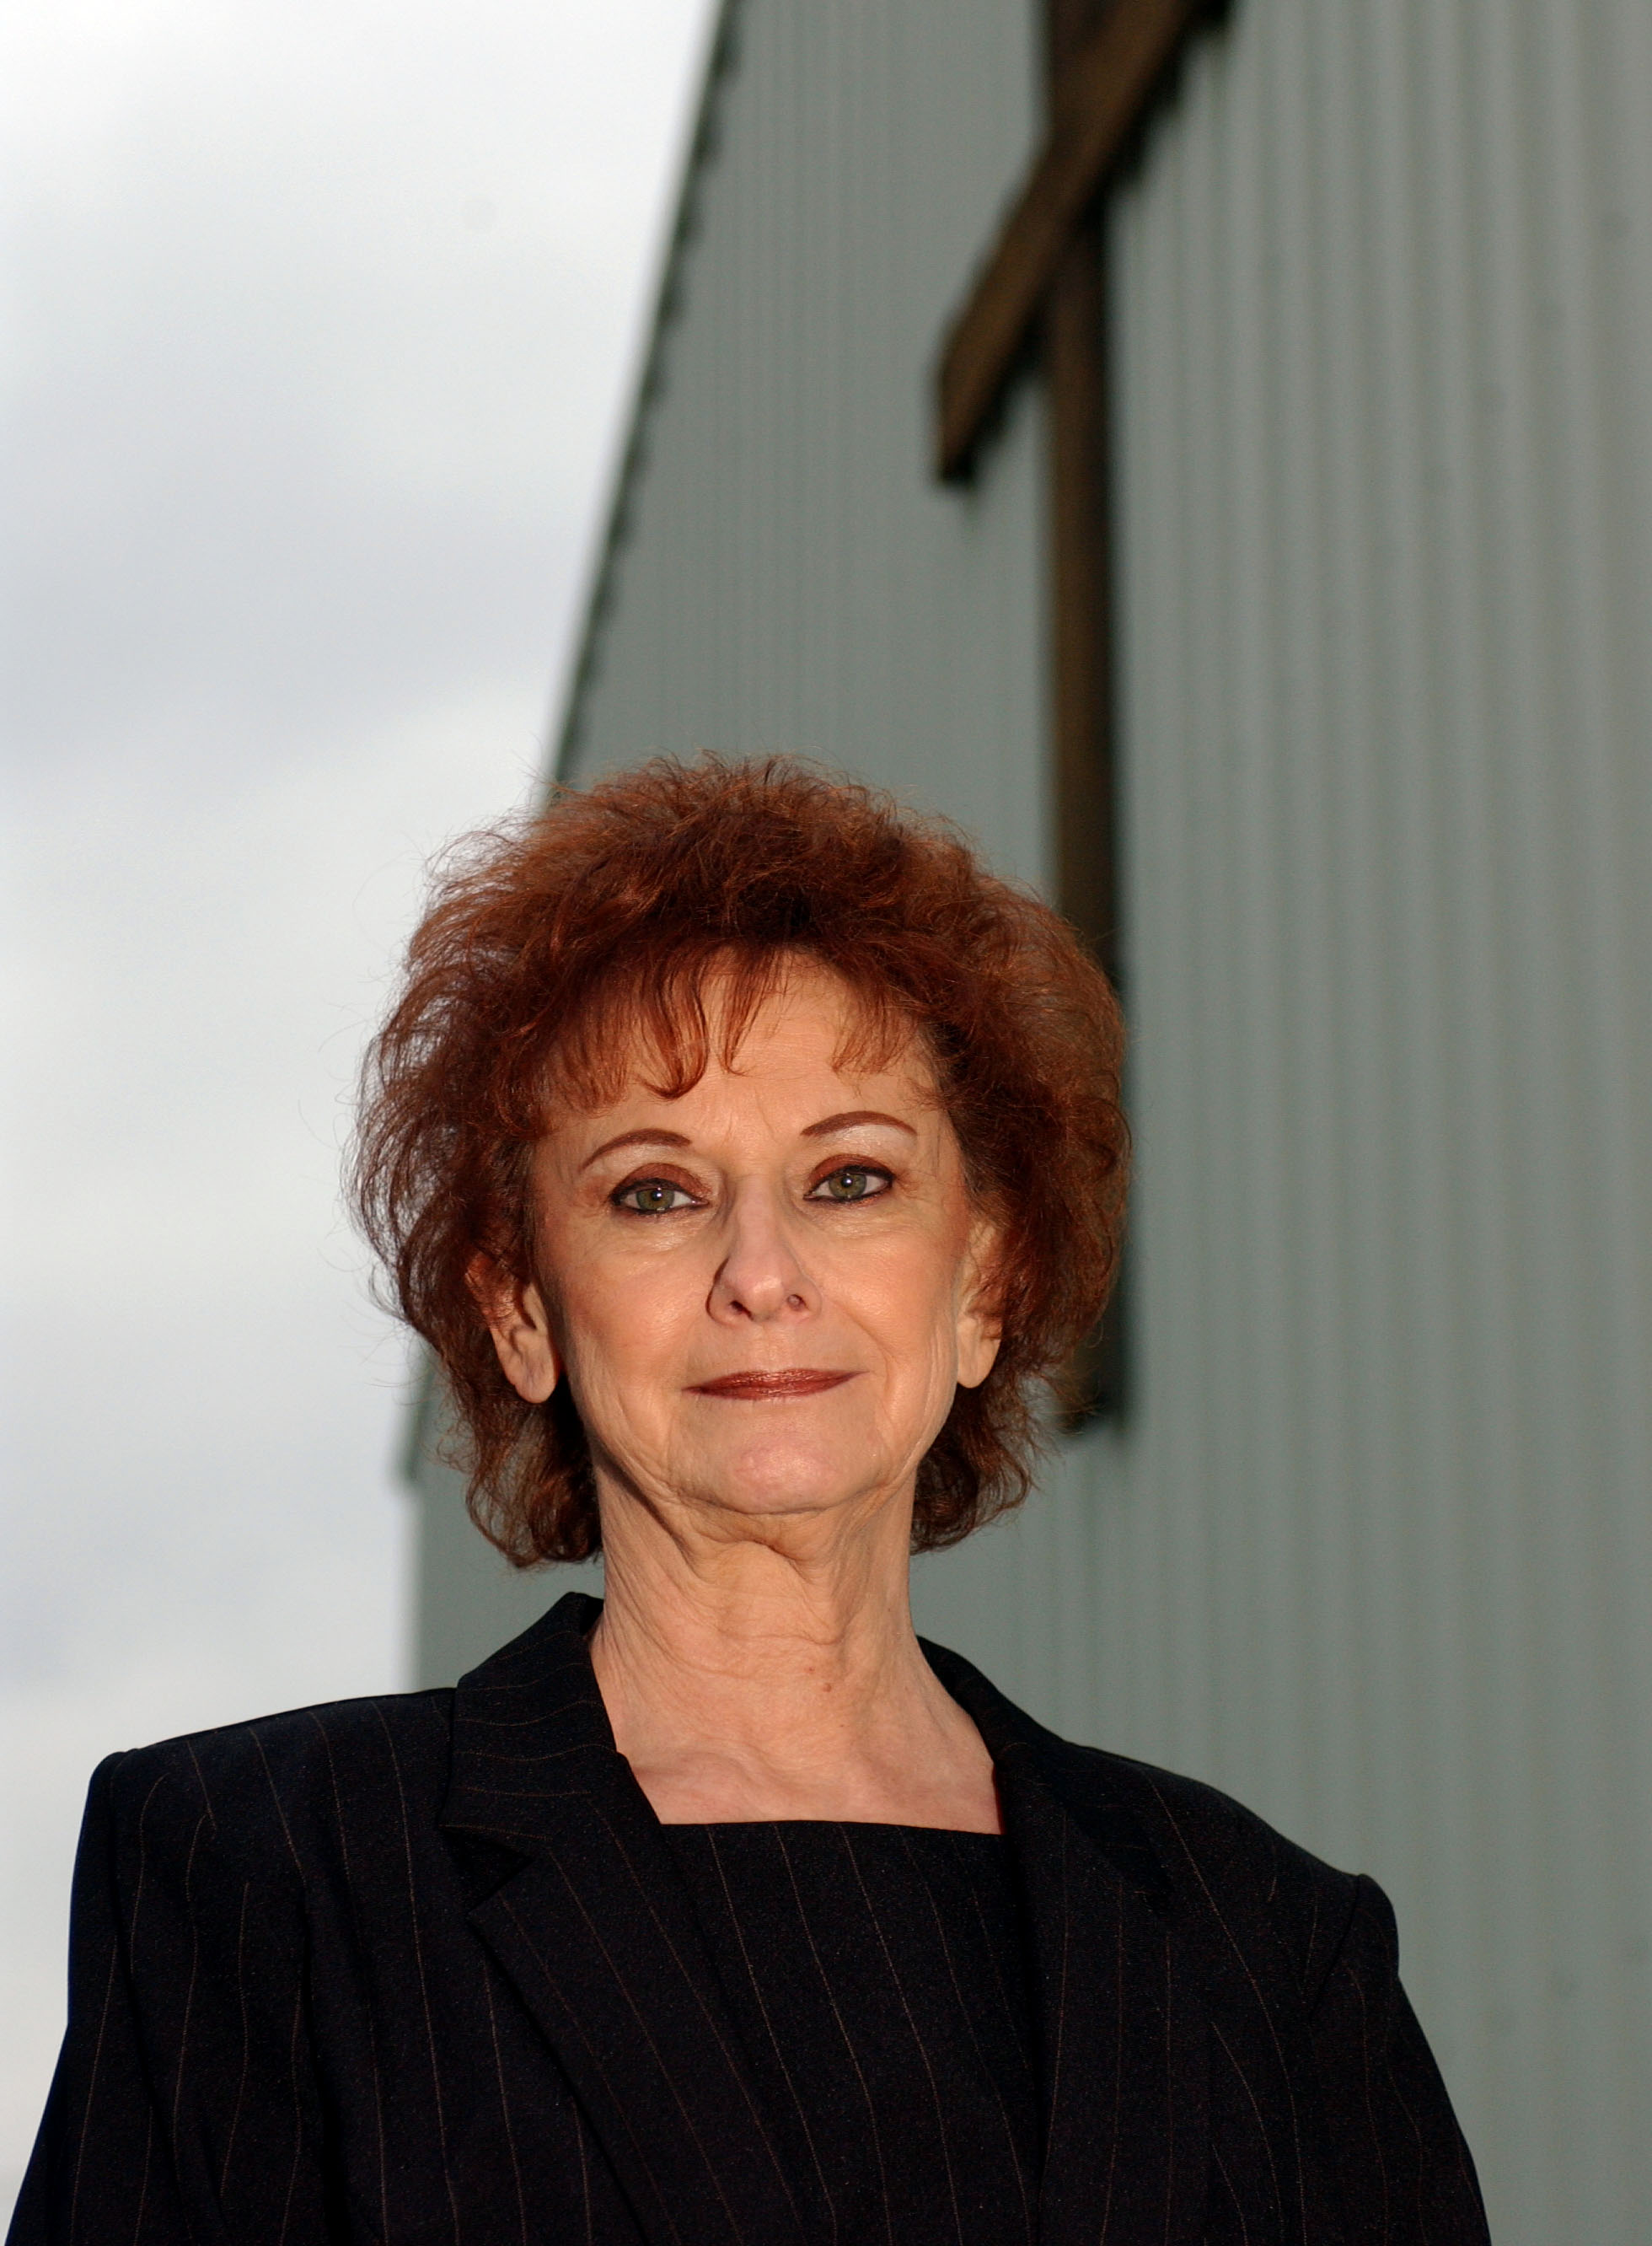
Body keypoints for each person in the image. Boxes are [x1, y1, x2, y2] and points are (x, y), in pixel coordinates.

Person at [13, 755, 1488, 2246]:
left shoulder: (1272, 1947)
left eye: (850, 1179)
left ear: (984, 1285)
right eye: (655, 1192)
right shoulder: (259, 1874)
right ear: (521, 1307)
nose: (762, 1272)